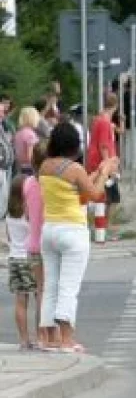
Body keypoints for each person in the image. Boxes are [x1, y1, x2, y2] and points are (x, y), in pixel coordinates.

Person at [38, 122, 119, 353]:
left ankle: (48, 337)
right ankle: (67, 340)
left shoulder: (44, 166)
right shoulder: (74, 169)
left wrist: (95, 172)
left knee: (51, 285)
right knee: (69, 287)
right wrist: (104, 173)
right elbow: (93, 194)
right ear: (74, 144)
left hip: (50, 230)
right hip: (72, 231)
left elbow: (75, 188)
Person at [6, 171, 43, 349]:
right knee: (39, 298)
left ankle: (23, 339)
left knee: (21, 302)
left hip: (14, 259)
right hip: (30, 259)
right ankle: (39, 337)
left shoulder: (9, 214)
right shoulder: (28, 213)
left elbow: (10, 238)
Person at [13, 107, 41, 175]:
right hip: (29, 168)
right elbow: (30, 156)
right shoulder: (30, 134)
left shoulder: (18, 133)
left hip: (19, 166)